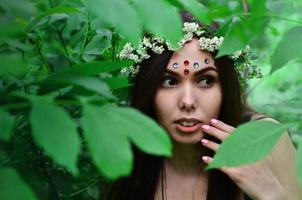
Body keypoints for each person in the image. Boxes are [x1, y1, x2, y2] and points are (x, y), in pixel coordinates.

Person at [106, 13, 301, 200]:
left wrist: (273, 196)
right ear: (147, 89)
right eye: (169, 82)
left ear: (225, 86)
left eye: (206, 80)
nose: (188, 102)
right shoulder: (127, 157)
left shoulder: (267, 139)